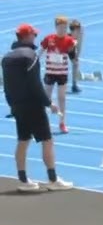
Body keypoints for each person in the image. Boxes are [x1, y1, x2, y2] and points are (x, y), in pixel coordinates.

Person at [4, 24, 72, 191]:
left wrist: (12, 105)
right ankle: (52, 179)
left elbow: (6, 86)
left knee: (22, 140)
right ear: (27, 37)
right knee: (47, 140)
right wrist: (49, 103)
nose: (35, 37)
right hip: (33, 105)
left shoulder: (6, 58)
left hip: (17, 105)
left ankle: (23, 180)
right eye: (33, 35)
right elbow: (35, 85)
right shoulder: (31, 56)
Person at [40, 17, 76, 134]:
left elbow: (73, 57)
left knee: (62, 98)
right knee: (46, 98)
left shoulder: (69, 40)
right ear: (56, 27)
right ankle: (44, 123)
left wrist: (75, 58)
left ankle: (62, 123)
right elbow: (40, 51)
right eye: (61, 27)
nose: (63, 30)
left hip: (62, 73)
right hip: (50, 72)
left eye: (65, 28)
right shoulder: (49, 39)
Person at [68, 19, 83, 94]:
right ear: (72, 31)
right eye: (76, 31)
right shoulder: (66, 35)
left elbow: (79, 45)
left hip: (71, 47)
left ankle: (74, 85)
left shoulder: (80, 33)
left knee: (76, 64)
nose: (78, 32)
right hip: (63, 46)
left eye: (78, 30)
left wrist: (77, 56)